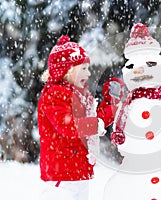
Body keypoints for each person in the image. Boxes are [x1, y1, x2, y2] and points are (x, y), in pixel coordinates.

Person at [37, 35, 120, 200]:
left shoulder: (81, 95)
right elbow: (67, 125)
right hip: (61, 175)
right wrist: (96, 124)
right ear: (67, 70)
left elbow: (96, 120)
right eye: (83, 68)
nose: (89, 73)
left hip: (77, 171)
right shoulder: (54, 94)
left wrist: (111, 103)